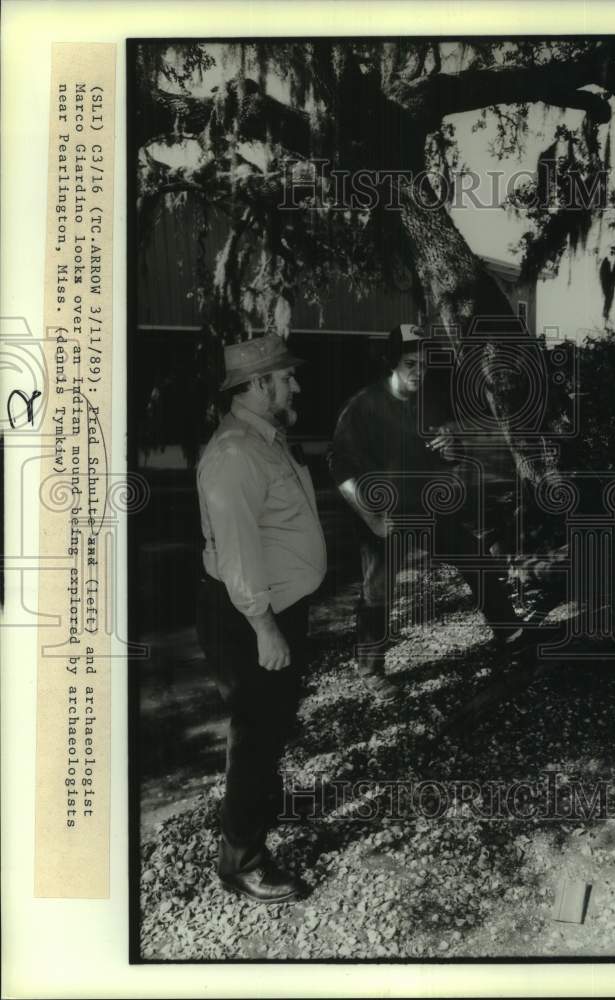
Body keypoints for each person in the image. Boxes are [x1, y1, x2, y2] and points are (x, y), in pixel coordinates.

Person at [196, 333, 326, 903]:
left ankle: (263, 804)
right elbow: (238, 551)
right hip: (251, 613)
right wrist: (264, 625)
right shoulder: (234, 454)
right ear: (255, 386)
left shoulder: (264, 438)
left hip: (277, 605)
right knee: (254, 734)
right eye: (285, 377)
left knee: (272, 725)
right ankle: (241, 859)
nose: (295, 384)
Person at [329, 323, 526, 701]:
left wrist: (453, 448)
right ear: (391, 363)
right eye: (410, 363)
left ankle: (510, 632)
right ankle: (371, 669)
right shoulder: (363, 407)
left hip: (428, 507)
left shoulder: (428, 403)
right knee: (378, 590)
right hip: (383, 514)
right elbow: (339, 467)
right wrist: (370, 518)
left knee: (475, 557)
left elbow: (449, 457)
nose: (419, 371)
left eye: (423, 364)